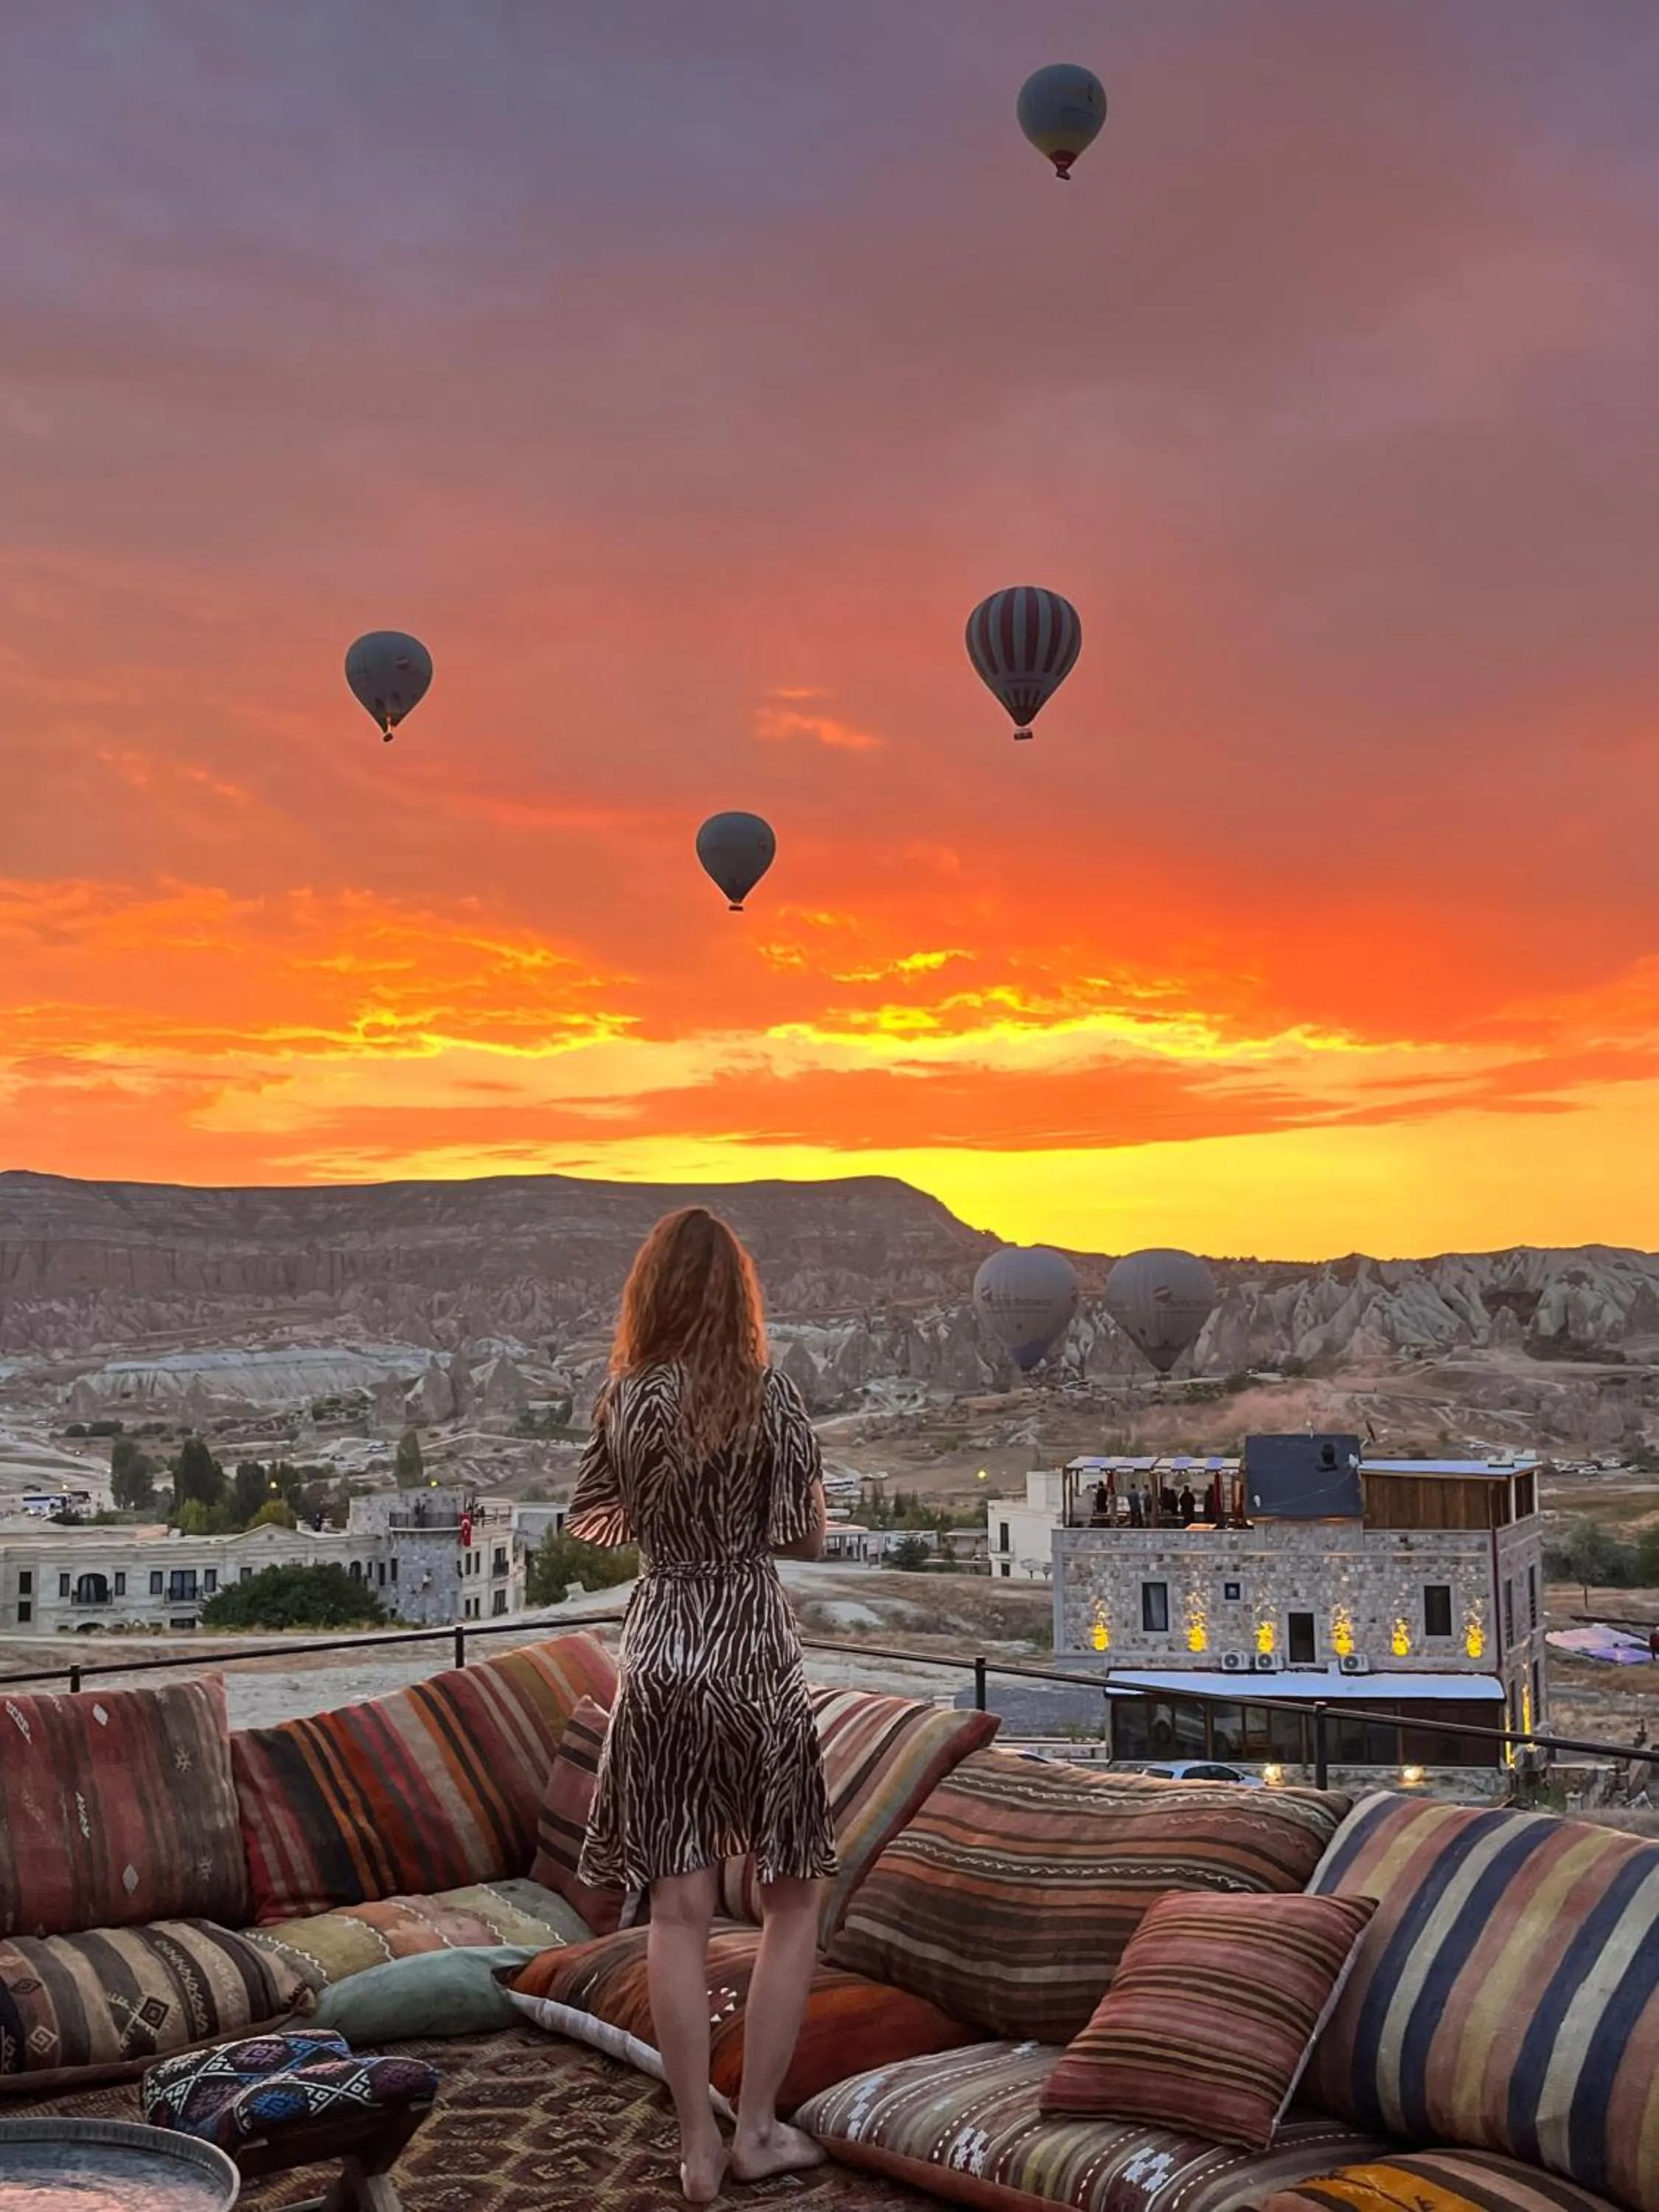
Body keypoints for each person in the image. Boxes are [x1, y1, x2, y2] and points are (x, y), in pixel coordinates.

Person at [569, 1206, 836, 2204]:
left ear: (652, 1293)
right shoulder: (769, 1396)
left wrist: (666, 1518)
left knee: (674, 1911)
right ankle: (756, 2127)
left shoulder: (625, 1398)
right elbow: (801, 1536)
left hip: (661, 1647)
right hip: (751, 1649)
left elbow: (594, 1517)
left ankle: (694, 2147)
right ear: (737, 1295)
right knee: (790, 1892)